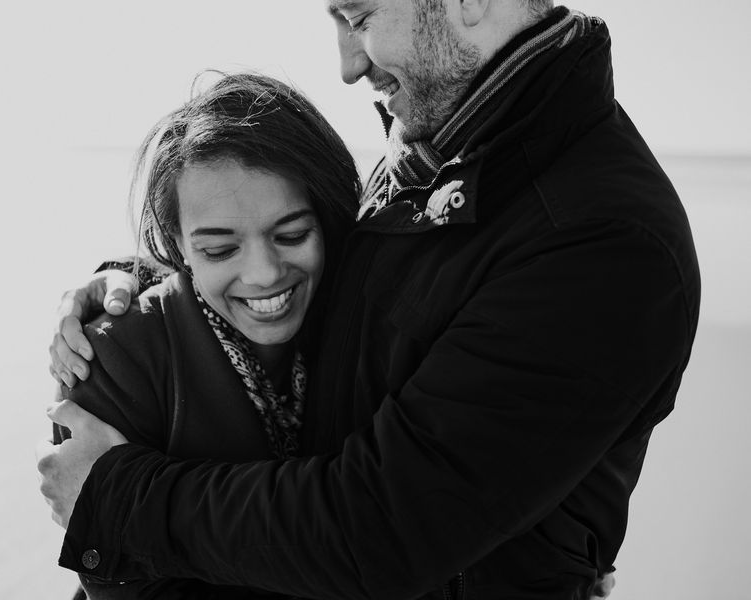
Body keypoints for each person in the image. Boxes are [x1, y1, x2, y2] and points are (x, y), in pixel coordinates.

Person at [39, 1, 701, 599]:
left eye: (357, 17)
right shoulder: (447, 145)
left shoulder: (601, 241)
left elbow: (382, 528)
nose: (348, 65)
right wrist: (151, 288)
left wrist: (117, 500)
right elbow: (340, 272)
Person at [41, 72, 360, 599]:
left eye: (292, 235)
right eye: (219, 250)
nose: (263, 273)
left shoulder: (363, 316)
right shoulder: (111, 358)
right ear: (177, 245)